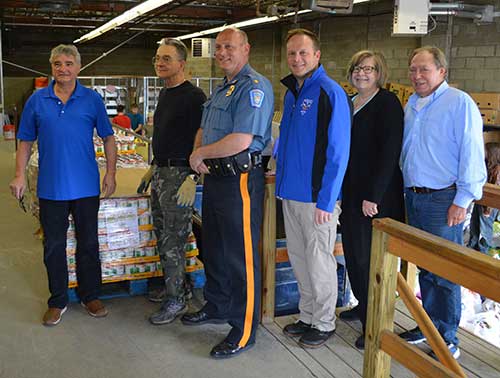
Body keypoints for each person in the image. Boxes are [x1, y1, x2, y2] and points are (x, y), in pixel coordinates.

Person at [181, 27, 274, 359]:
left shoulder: (254, 88)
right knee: (215, 248)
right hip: (216, 180)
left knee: (240, 256)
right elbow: (204, 130)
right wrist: (198, 152)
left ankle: (244, 328)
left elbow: (241, 140)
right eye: (218, 47)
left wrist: (200, 155)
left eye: (229, 47)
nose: (222, 52)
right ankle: (218, 305)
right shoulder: (221, 89)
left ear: (245, 49)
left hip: (240, 181)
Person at [9, 44, 117, 326]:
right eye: (58, 64)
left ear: (78, 67)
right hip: (51, 188)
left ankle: (90, 295)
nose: (63, 68)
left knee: (89, 244)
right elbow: (25, 141)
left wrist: (111, 173)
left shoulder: (92, 99)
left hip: (85, 187)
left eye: (69, 63)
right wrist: (19, 174)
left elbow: (108, 137)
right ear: (52, 67)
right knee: (53, 246)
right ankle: (58, 299)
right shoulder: (37, 100)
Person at [399, 46, 486, 360]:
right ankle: (428, 326)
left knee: (444, 270)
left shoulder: (458, 103)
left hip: (443, 199)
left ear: (441, 71)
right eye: (413, 70)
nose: (417, 76)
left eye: (424, 69)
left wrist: (462, 199)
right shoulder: (412, 104)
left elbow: (472, 153)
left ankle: (448, 338)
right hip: (414, 196)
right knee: (425, 266)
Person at [275, 28, 351, 348]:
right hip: (290, 193)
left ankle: (323, 321)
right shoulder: (292, 93)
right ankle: (307, 314)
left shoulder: (329, 93)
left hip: (317, 199)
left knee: (319, 261)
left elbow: (338, 152)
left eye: (304, 53)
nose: (297, 58)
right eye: (292, 53)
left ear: (317, 56)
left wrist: (327, 199)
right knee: (299, 259)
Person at [137, 38, 206, 325]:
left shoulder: (195, 96)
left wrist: (193, 174)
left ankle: (176, 300)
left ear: (182, 63)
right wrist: (153, 166)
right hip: (162, 173)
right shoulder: (164, 94)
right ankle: (176, 287)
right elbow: (166, 135)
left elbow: (201, 136)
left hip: (180, 176)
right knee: (162, 233)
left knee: (172, 241)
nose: (159, 63)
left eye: (166, 58)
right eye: (157, 58)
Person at [338, 50, 405, 349]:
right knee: (353, 255)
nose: (362, 73)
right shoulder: (350, 103)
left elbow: (390, 152)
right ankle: (363, 306)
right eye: (357, 68)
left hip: (375, 197)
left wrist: (373, 196)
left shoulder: (387, 103)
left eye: (369, 69)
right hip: (352, 193)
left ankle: (374, 326)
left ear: (379, 74)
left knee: (369, 262)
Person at [467, 142, 500, 256]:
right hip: (480, 202)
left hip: (488, 206)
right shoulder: (487, 165)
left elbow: (494, 191)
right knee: (474, 226)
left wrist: (488, 210)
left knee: (484, 230)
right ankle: (471, 248)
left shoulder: (497, 170)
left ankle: (482, 252)